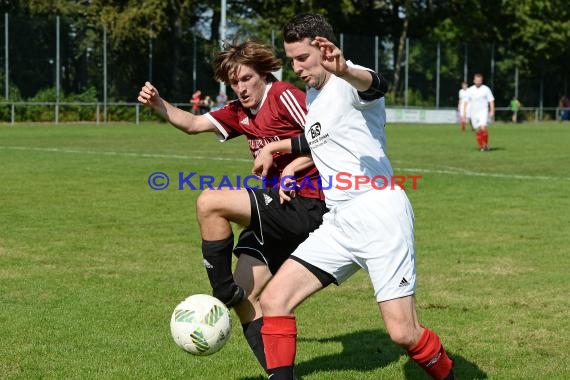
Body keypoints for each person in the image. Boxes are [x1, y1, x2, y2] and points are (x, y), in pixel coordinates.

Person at [253, 13, 455, 380]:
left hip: (379, 214)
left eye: (303, 58)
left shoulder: (348, 80)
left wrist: (345, 68)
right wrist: (286, 160)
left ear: (324, 48)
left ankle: (448, 373)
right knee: (273, 299)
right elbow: (319, 138)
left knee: (403, 333)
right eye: (291, 59)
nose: (296, 68)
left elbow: (376, 85)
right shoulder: (314, 96)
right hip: (340, 221)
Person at [137, 39, 327, 374]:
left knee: (210, 201)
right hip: (277, 213)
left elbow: (329, 136)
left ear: (263, 74)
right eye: (233, 82)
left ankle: (220, 291)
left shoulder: (284, 95)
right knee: (245, 300)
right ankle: (279, 375)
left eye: (246, 79)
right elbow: (194, 124)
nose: (240, 88)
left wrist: (293, 170)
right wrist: (158, 103)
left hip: (309, 204)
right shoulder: (240, 112)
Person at [464, 73, 495, 152]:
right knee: (477, 130)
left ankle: (484, 146)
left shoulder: (486, 89)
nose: (478, 82)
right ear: (474, 81)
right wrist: (464, 113)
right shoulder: (470, 90)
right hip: (473, 112)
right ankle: (482, 145)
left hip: (483, 111)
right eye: (476, 81)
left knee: (483, 127)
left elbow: (491, 101)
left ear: (482, 81)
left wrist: (492, 110)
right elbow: (466, 102)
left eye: (479, 81)